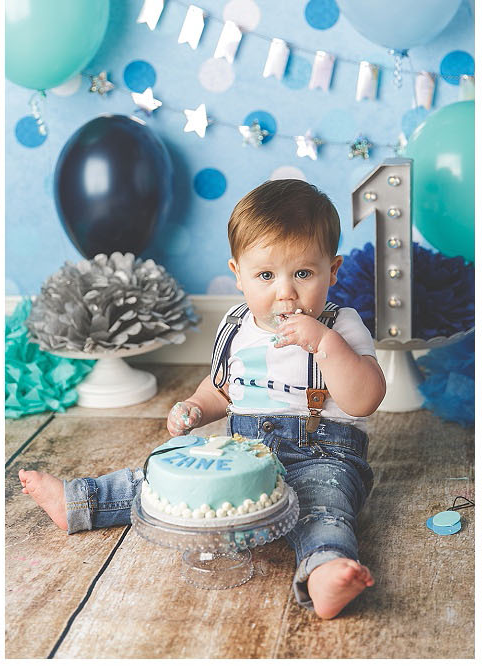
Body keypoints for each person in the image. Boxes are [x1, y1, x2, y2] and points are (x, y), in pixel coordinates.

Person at [20, 180, 385, 621]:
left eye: (303, 274)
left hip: (321, 454)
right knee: (165, 481)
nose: (285, 292)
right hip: (242, 452)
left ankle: (324, 571)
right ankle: (81, 502)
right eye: (266, 276)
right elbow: (221, 389)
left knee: (323, 507)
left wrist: (324, 345)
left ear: (334, 270)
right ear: (238, 274)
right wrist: (195, 406)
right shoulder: (235, 326)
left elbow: (364, 398)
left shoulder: (341, 324)